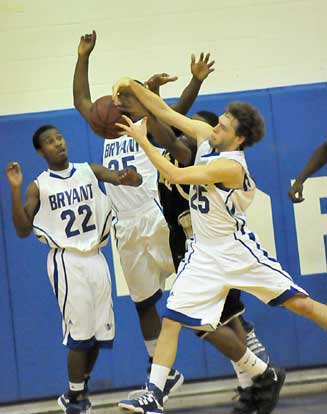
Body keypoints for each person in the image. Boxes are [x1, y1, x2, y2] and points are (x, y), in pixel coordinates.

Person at [112, 77, 327, 414]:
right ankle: (153, 394)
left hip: (235, 250)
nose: (214, 128)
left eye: (223, 127)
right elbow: (163, 111)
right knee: (171, 318)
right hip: (202, 253)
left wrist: (143, 141)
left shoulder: (230, 166)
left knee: (301, 305)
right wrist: (132, 85)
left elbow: (176, 174)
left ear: (238, 138)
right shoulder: (205, 137)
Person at [73, 30, 215, 400]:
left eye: (128, 93)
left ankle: (239, 344)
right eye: (118, 95)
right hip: (125, 226)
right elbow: (81, 99)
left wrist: (195, 81)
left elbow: (176, 112)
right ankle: (161, 372)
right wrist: (83, 56)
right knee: (143, 302)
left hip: (155, 216)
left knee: (192, 291)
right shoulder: (108, 125)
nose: (119, 98)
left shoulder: (148, 122)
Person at [5, 125, 142, 414]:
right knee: (79, 337)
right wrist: (15, 190)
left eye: (59, 137)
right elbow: (21, 230)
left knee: (99, 336)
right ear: (41, 152)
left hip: (97, 256)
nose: (57, 143)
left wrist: (131, 177)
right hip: (67, 260)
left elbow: (122, 177)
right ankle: (76, 400)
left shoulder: (88, 170)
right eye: (49, 142)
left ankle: (78, 389)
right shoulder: (38, 185)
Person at [156, 109, 270, 414]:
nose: (182, 136)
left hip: (206, 243)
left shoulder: (193, 151)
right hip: (188, 240)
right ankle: (252, 386)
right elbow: (166, 122)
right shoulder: (191, 149)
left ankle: (261, 376)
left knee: (211, 322)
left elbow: (166, 131)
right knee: (228, 319)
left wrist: (142, 118)